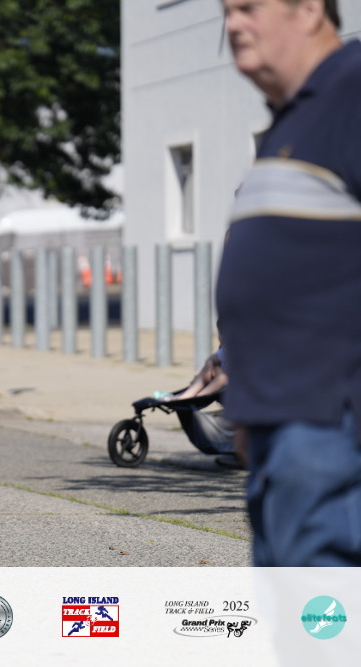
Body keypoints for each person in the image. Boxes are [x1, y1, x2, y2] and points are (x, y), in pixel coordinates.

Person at [215, 0, 360, 565]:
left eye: (248, 8)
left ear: (309, 9)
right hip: (283, 431)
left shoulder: (351, 94)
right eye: (226, 11)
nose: (233, 24)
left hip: (334, 429)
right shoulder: (293, 120)